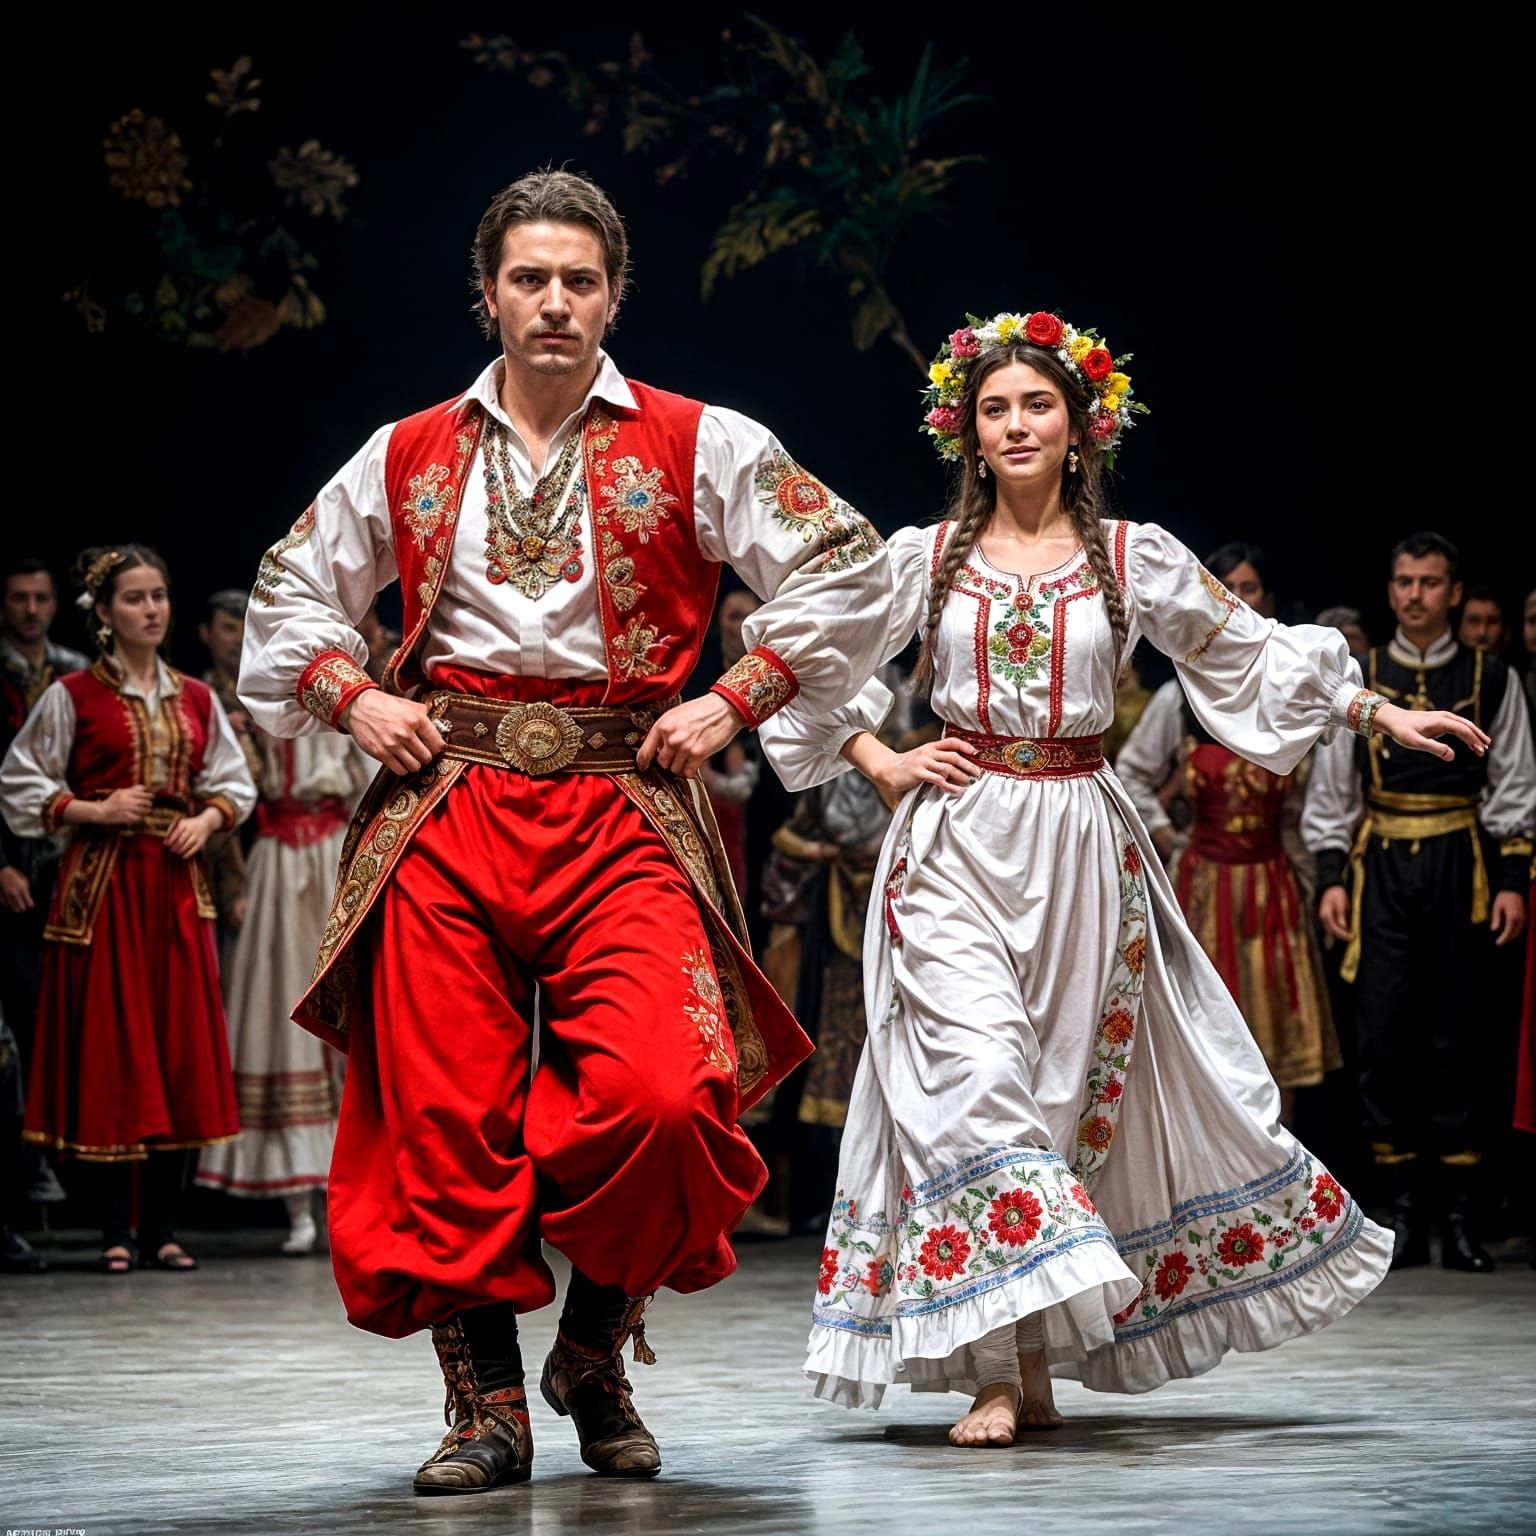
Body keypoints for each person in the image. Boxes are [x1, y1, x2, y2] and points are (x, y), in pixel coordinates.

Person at [237, 169, 890, 1492]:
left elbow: (850, 566)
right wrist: (353, 697)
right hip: (452, 799)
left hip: (625, 801)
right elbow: (288, 589)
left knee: (663, 1094)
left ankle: (591, 1348)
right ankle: (485, 1404)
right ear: (488, 292)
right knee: (444, 1114)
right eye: (529, 278)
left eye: (579, 280)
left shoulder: (703, 439)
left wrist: (736, 696)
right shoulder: (408, 448)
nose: (553, 303)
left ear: (613, 294)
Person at [756, 309, 1486, 1448]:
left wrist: (1376, 706)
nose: (1014, 423)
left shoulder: (1130, 557)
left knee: (1051, 1103)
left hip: (1084, 853)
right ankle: (994, 1374)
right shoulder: (926, 557)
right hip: (952, 842)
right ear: (965, 428)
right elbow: (798, 647)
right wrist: (880, 756)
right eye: (993, 407)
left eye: (1036, 403)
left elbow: (1243, 650)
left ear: (1080, 422)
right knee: (972, 1078)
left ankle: (1027, 1364)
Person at [0, 546, 255, 1272]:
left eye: (159, 596)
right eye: (135, 598)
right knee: (114, 1051)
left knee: (176, 1047)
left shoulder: (196, 699)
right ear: (105, 614)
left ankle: (163, 1228)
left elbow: (234, 784)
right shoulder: (73, 695)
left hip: (174, 887)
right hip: (103, 888)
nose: (152, 609)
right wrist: (94, 807)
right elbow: (19, 784)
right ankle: (115, 1226)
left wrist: (206, 822)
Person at [1303, 533, 1535, 1272]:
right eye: (1404, 581)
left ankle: (1462, 1219)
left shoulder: (1492, 676)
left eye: (1430, 582)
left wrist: (1510, 882)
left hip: (1459, 865)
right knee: (1383, 1038)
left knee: (1459, 1040)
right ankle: (1401, 1214)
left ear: (1455, 591)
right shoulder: (1363, 674)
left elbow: (1514, 787)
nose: (1414, 595)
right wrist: (1333, 875)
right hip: (1383, 873)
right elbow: (1332, 790)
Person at [1116, 545, 1341, 1119]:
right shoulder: (1178, 698)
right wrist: (1167, 835)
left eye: (1251, 588)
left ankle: (1284, 1168)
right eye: (1228, 587)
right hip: (1203, 882)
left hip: (1274, 882)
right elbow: (1134, 773)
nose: (1240, 597)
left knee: (1275, 1021)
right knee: (1205, 1027)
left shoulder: (1293, 689)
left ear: (1265, 600)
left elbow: (1326, 794)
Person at [194, 725, 372, 1251]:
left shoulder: (356, 711)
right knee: (277, 1008)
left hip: (335, 857)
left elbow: (371, 786)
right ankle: (298, 1205)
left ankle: (352, 1203)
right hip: (277, 863)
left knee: (350, 1004)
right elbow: (232, 793)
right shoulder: (254, 713)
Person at [0, 558, 89, 1270]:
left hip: (61, 873)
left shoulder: (70, 670)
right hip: (11, 867)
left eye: (41, 598)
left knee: (41, 1027)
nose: (32, 609)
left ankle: (43, 1177)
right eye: (19, 599)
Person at [199, 590, 261, 968]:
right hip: (219, 847)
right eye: (227, 628)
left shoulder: (267, 695)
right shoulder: (197, 697)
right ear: (206, 633)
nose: (237, 638)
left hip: (267, 841)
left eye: (243, 627)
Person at [1457, 585, 1507, 657]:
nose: (1482, 632)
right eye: (1474, 621)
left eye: (1492, 622)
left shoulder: (1510, 668)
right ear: (1459, 625)